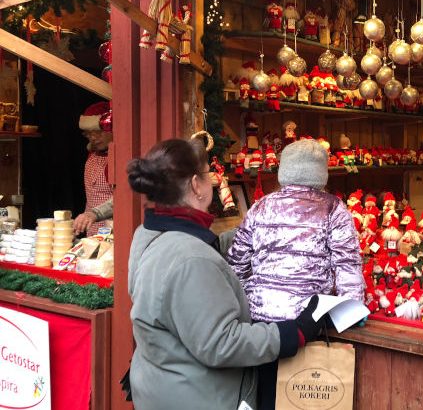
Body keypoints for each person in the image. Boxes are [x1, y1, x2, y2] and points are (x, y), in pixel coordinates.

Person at [127, 138, 323, 409]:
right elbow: (221, 342)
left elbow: (205, 248)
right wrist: (294, 333)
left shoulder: (150, 234)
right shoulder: (192, 260)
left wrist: (257, 229)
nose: (215, 181)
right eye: (209, 175)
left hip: (163, 386)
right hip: (199, 397)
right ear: (197, 185)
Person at [227, 138, 365, 410]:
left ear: (284, 171)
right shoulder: (333, 208)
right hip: (306, 325)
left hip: (260, 325)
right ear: (321, 173)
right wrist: (353, 309)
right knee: (299, 398)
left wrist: (248, 302)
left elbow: (237, 261)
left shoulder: (261, 206)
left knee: (263, 395)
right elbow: (347, 264)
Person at [74, 102, 113, 235]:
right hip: (92, 231)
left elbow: (124, 198)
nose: (93, 138)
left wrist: (95, 214)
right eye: (89, 134)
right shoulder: (92, 155)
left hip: (111, 232)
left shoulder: (118, 159)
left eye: (98, 132)